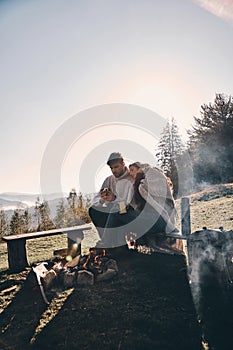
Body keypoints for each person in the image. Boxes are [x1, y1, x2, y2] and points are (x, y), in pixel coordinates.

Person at [101, 161, 181, 250]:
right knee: (117, 211)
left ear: (140, 168)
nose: (131, 174)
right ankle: (113, 249)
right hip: (151, 220)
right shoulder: (139, 184)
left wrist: (140, 176)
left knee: (115, 212)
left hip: (162, 221)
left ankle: (105, 244)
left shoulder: (152, 173)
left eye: (132, 170)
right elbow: (133, 204)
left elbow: (155, 190)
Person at [88, 152, 134, 245]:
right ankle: (108, 240)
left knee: (115, 208)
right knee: (93, 210)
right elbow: (96, 199)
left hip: (128, 210)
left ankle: (106, 242)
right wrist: (102, 199)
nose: (113, 170)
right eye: (111, 168)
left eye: (116, 167)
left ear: (123, 164)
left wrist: (114, 199)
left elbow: (131, 202)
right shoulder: (109, 179)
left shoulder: (131, 178)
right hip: (113, 208)